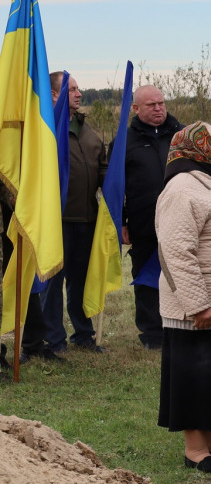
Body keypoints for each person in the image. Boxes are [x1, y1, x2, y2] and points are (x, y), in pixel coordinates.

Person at [156, 122, 211, 473]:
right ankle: (195, 451)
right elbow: (177, 251)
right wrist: (197, 304)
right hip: (196, 308)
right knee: (196, 378)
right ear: (198, 147)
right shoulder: (181, 189)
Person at [39, 72, 107, 355]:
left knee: (80, 282)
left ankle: (83, 333)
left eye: (79, 89)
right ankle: (53, 339)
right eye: (72, 90)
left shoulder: (88, 131)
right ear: (54, 95)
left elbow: (101, 167)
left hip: (86, 219)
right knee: (52, 285)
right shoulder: (45, 130)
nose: (79, 94)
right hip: (57, 221)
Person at [124, 85, 184, 350]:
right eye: (151, 105)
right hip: (143, 222)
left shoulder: (183, 136)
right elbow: (115, 185)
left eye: (161, 103)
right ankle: (151, 333)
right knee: (147, 279)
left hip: (181, 221)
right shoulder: (125, 141)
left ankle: (180, 327)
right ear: (136, 109)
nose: (159, 108)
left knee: (181, 274)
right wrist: (122, 222)